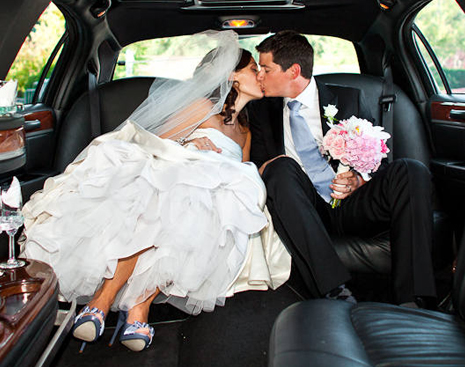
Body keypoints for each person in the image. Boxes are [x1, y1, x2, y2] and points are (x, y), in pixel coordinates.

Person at [20, 30, 291, 353]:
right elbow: (154, 145)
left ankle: (130, 307)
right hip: (175, 174)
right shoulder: (200, 108)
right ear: (231, 76)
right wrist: (190, 145)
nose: (260, 76)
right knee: (168, 199)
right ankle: (112, 305)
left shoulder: (245, 130)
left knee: (199, 209)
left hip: (213, 192)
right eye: (252, 69)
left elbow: (242, 175)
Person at [247, 30, 436, 306]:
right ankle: (335, 291)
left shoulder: (348, 99)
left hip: (352, 203)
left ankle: (415, 299)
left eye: (266, 68)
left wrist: (359, 179)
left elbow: (378, 156)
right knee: (280, 168)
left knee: (411, 169)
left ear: (293, 71)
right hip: (301, 206)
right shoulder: (261, 113)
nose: (259, 76)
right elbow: (259, 167)